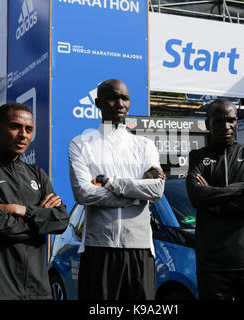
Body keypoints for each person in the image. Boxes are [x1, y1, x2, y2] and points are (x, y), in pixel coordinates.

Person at [0, 102, 69, 300]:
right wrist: (41, 221)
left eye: (29, 129)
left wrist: (23, 210)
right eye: (15, 126)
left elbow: (61, 220)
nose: (23, 134)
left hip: (37, 289)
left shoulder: (37, 175)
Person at [68, 79, 166, 300]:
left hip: (140, 249)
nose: (120, 104)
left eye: (125, 98)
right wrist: (134, 195)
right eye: (113, 98)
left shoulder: (144, 146)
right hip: (98, 247)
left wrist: (111, 182)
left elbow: (157, 190)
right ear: (97, 103)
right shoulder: (80, 144)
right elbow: (83, 193)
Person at [186, 98, 244, 300]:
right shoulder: (197, 157)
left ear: (237, 122)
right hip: (213, 262)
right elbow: (196, 195)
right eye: (218, 121)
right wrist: (242, 188)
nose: (226, 126)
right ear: (207, 123)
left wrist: (219, 205)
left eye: (231, 120)